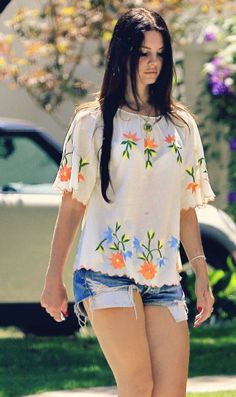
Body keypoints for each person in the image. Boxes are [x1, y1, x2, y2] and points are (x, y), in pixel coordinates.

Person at [41, 7, 216, 397]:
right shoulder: (93, 123)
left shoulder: (181, 126)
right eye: (143, 53)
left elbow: (186, 206)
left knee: (170, 391)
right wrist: (53, 277)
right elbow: (73, 204)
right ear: (123, 54)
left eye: (159, 53)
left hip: (165, 277)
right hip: (106, 273)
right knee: (138, 386)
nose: (153, 63)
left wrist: (201, 274)